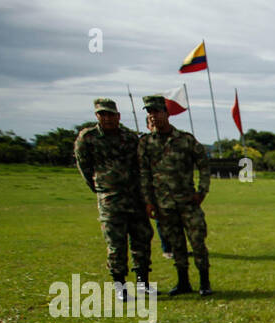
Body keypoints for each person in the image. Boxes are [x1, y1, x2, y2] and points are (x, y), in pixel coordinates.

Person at [74, 98, 152, 299]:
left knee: (142, 240)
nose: (107, 118)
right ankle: (120, 286)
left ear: (118, 116)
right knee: (116, 244)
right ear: (97, 116)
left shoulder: (129, 137)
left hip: (135, 198)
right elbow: (85, 168)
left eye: (110, 114)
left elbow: (141, 165)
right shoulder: (88, 138)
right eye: (103, 114)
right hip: (110, 200)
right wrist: (102, 189)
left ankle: (143, 283)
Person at [139, 95, 211, 295]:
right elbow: (144, 174)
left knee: (197, 241)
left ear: (166, 113)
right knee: (176, 244)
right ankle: (183, 283)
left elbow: (204, 166)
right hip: (164, 205)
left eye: (157, 111)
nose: (153, 116)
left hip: (188, 202)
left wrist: (202, 191)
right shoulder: (145, 143)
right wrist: (148, 202)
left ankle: (205, 283)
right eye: (149, 112)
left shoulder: (185, 139)